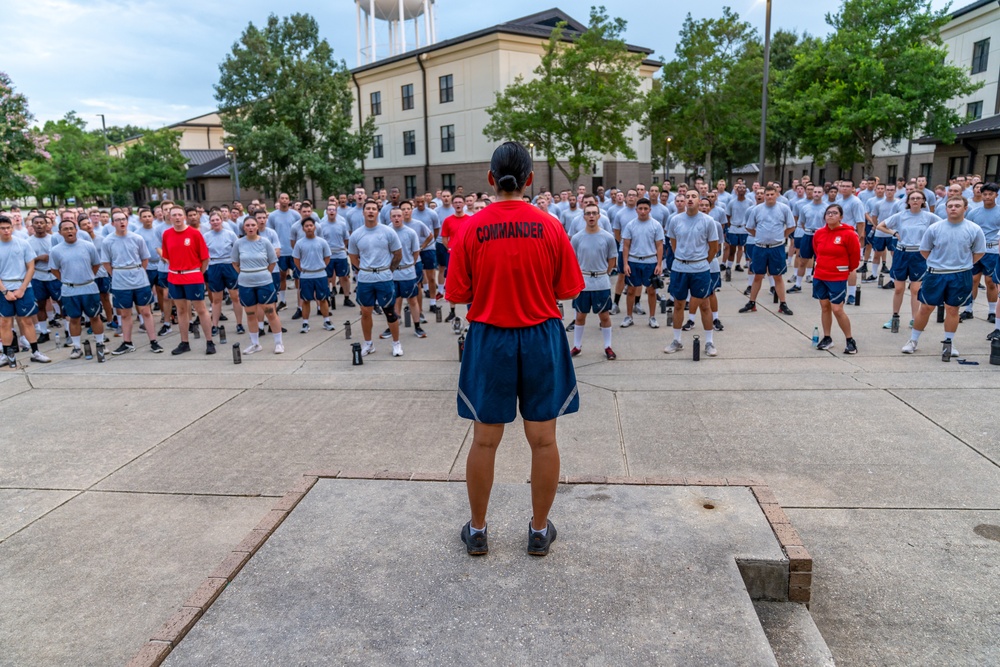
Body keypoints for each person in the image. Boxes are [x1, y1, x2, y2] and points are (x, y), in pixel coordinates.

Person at [447, 141, 584, 557]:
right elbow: (567, 289)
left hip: (491, 337)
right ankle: (539, 531)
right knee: (543, 440)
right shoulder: (551, 226)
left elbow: (457, 291)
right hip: (541, 335)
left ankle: (478, 529)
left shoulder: (470, 227)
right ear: (530, 180)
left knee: (485, 441)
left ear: (490, 179)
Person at [901, 196, 986, 357]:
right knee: (926, 308)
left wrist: (962, 265)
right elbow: (924, 250)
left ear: (965, 208)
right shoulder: (935, 228)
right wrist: (938, 263)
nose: (953, 208)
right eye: (950, 206)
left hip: (961, 275)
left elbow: (979, 252)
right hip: (936, 274)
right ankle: (913, 340)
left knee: (953, 309)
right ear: (946, 208)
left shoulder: (974, 229)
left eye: (957, 206)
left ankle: (949, 342)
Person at [664, 192, 720, 355]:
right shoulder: (675, 220)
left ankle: (709, 343)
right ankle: (677, 340)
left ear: (699, 200)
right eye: (687, 196)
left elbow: (714, 248)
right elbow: (673, 245)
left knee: (704, 305)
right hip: (680, 268)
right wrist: (683, 260)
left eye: (693, 196)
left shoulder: (708, 221)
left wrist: (701, 262)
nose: (689, 199)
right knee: (679, 304)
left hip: (700, 269)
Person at [101, 212, 162, 354]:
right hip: (120, 280)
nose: (121, 222)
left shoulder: (137, 238)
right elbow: (106, 262)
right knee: (125, 313)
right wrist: (116, 274)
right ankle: (127, 343)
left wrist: (138, 272)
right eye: (117, 220)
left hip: (139, 278)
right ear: (112, 223)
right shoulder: (108, 241)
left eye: (123, 219)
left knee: (146, 311)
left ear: (127, 221)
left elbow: (144, 259)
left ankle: (153, 341)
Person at [348, 199, 403, 357]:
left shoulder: (388, 231)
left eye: (374, 209)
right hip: (365, 278)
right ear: (363, 212)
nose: (371, 211)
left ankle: (396, 343)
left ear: (378, 212)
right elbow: (353, 256)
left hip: (384, 277)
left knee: (389, 311)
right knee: (365, 312)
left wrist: (389, 270)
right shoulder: (357, 234)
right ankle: (368, 344)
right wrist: (364, 269)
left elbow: (398, 254)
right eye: (368, 209)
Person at [877, 191, 939, 331]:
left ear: (923, 201)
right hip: (902, 253)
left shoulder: (929, 217)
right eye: (912, 198)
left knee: (915, 289)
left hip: (919, 255)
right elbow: (880, 225)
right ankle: (894, 316)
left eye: (918, 198)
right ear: (908, 201)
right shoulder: (901, 215)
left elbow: (942, 228)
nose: (915, 200)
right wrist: (893, 233)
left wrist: (932, 243)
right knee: (899, 288)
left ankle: (914, 318)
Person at [160, 206, 214, 355]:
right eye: (174, 215)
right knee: (181, 310)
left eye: (179, 215)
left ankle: (209, 341)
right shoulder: (166, 234)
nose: (177, 218)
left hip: (193, 275)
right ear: (169, 218)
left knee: (201, 309)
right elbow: (167, 256)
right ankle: (184, 342)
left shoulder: (195, 234)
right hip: (175, 276)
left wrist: (197, 273)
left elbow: (205, 258)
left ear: (184, 217)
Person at [49, 219, 105, 360]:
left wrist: (87, 276)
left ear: (76, 230)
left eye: (71, 228)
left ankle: (100, 344)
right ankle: (76, 347)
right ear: (60, 232)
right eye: (65, 229)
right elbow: (54, 269)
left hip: (89, 288)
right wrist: (66, 280)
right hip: (70, 290)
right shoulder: (56, 251)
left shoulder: (88, 246)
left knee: (95, 317)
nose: (69, 231)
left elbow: (96, 264)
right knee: (73, 319)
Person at [569, 203, 618, 359]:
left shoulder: (608, 238)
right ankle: (577, 346)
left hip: (601, 282)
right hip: (583, 282)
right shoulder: (576, 238)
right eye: (588, 213)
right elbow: (572, 261)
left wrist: (604, 273)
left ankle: (608, 346)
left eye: (594, 213)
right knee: (580, 316)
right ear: (583, 216)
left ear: (599, 216)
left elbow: (612, 260)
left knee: (604, 316)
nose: (591, 216)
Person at [811, 204, 861, 353]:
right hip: (820, 275)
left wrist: (844, 269)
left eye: (834, 213)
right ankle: (827, 337)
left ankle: (850, 340)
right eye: (828, 213)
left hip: (837, 276)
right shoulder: (819, 233)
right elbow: (816, 251)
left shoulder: (849, 234)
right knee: (824, 307)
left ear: (841, 216)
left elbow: (855, 257)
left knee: (837, 309)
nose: (830, 215)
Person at [0, 215, 50, 365]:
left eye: (8, 227)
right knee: (4, 322)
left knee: (27, 321)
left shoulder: (23, 244)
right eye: (2, 228)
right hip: (3, 288)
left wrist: (22, 288)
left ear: (12, 227)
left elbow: (31, 267)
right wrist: (5, 291)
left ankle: (35, 351)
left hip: (23, 286)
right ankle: (6, 354)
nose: (6, 231)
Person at [740, 185, 795, 315]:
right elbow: (749, 227)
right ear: (764, 195)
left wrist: (783, 236)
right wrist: (760, 236)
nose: (770, 197)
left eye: (772, 194)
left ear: (776, 194)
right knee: (757, 276)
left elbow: (792, 226)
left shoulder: (784, 209)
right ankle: (752, 303)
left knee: (778, 276)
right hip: (760, 248)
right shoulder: (757, 209)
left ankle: (783, 304)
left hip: (777, 248)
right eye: (767, 194)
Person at [231, 216, 283, 354]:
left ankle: (278, 343)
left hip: (264, 281)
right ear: (244, 227)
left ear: (257, 227)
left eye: (253, 225)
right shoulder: (239, 243)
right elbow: (235, 263)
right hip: (245, 283)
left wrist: (264, 273)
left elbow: (272, 261)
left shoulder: (265, 242)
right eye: (247, 225)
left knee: (270, 312)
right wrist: (245, 273)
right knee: (250, 313)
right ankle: (255, 344)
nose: (250, 227)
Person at [619, 197, 664, 329]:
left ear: (650, 210)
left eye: (645, 209)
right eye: (640, 209)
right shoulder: (630, 225)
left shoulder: (656, 225)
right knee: (631, 290)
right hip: (633, 260)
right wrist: (626, 264)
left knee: (651, 291)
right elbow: (626, 245)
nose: (643, 211)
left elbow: (660, 246)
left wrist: (659, 264)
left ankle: (652, 317)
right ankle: (629, 316)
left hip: (650, 261)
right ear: (636, 210)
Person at [386, 207, 425, 341]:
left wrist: (409, 265)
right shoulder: (387, 232)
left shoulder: (410, 232)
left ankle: (417, 326)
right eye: (394, 216)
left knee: (412, 300)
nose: (396, 218)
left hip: (407, 272)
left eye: (399, 216)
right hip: (392, 272)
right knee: (394, 300)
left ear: (403, 217)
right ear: (390, 218)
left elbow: (415, 252)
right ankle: (393, 324)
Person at [203, 212, 243, 337]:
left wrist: (237, 267)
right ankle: (214, 324)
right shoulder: (206, 236)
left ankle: (239, 323)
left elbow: (238, 250)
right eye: (212, 220)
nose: (215, 222)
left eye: (217, 219)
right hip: (214, 265)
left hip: (229, 265)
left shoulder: (230, 234)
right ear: (210, 222)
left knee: (235, 296)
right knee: (216, 298)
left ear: (221, 220)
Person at [292, 218, 334, 333]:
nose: (309, 228)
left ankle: (327, 320)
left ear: (315, 227)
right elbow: (296, 259)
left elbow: (327, 257)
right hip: (306, 276)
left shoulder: (322, 242)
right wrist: (303, 269)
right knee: (305, 300)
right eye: (306, 226)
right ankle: (305, 323)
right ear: (303, 228)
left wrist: (320, 267)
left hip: (320, 275)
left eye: (311, 225)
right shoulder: (299, 243)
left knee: (323, 298)